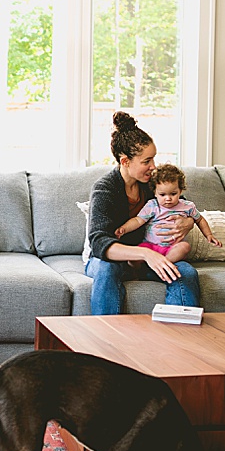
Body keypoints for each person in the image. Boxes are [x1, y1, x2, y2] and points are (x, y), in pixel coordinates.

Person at [85, 112, 201, 315]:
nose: (153, 166)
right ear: (125, 162)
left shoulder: (152, 185)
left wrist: (189, 221)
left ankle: (179, 337)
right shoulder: (105, 189)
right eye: (147, 161)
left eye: (154, 159)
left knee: (185, 272)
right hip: (113, 259)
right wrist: (145, 254)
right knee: (107, 268)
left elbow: (181, 205)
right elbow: (99, 243)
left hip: (148, 255)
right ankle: (105, 339)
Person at [118, 164, 221, 265]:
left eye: (173, 194)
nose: (168, 198)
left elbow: (200, 219)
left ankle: (164, 263)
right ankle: (141, 270)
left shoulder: (187, 206)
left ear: (180, 191)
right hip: (150, 246)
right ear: (155, 192)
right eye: (162, 195)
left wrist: (209, 235)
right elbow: (138, 220)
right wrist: (124, 228)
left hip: (172, 248)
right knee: (132, 259)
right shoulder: (152, 205)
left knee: (185, 247)